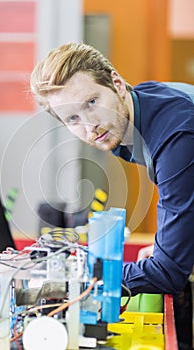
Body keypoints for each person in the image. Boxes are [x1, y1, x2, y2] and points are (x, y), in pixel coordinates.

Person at [30, 43, 194, 349]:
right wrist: (167, 246)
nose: (90, 125)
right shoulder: (140, 108)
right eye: (72, 119)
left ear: (116, 83)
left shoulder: (175, 134)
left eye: (92, 101)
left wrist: (77, 283)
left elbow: (168, 273)